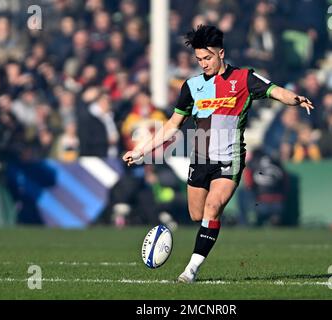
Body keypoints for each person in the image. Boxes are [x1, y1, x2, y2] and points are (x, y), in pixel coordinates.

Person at [122, 25, 314, 283]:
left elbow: (275, 90)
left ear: (221, 53)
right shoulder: (191, 86)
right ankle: (208, 228)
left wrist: (295, 99)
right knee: (196, 215)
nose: (203, 63)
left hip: (229, 159)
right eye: (199, 59)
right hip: (200, 159)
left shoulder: (244, 79)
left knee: (212, 208)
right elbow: (170, 126)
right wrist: (140, 151)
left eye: (208, 58)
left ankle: (190, 270)